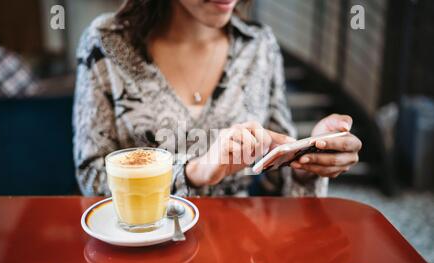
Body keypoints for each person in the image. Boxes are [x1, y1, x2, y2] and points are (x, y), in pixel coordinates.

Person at [73, 0, 362, 197]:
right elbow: (92, 178)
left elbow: (278, 178)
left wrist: (308, 157)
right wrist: (195, 171)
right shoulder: (106, 42)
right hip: (141, 252)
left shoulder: (259, 47)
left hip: (235, 257)